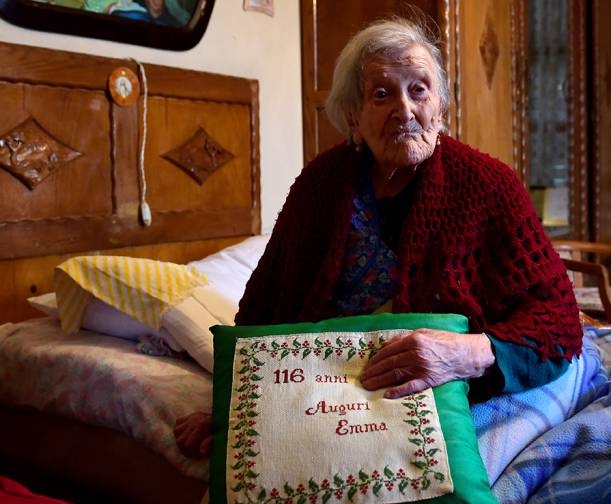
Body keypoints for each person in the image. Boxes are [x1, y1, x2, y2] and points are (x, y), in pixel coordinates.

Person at [174, 16, 582, 458]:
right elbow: (265, 310)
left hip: (449, 387)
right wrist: (238, 409)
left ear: (440, 106)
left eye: (419, 89)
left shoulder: (489, 185)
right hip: (327, 389)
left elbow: (557, 322)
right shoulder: (319, 187)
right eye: (382, 94)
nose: (404, 110)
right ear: (354, 114)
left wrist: (469, 354)